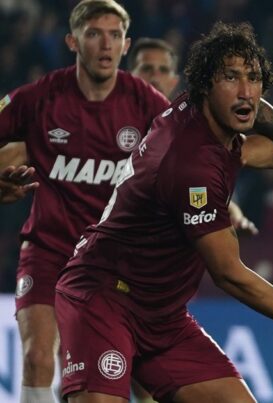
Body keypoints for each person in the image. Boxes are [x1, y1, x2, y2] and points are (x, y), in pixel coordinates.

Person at [54, 21, 273, 402]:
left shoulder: (200, 110)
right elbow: (229, 275)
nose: (246, 91)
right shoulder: (190, 164)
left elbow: (255, 110)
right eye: (231, 78)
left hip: (162, 315)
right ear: (205, 85)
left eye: (253, 77)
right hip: (104, 299)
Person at [0, 2, 170, 402]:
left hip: (115, 260)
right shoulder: (39, 98)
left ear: (126, 45)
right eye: (94, 33)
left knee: (134, 377)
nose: (105, 44)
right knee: (38, 355)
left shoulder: (145, 103)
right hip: (48, 249)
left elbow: (193, 154)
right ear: (73, 41)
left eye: (114, 35)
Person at [126, 36, 257, 235]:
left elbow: (207, 190)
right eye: (146, 69)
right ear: (129, 76)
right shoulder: (106, 121)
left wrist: (235, 216)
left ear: (173, 81)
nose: (154, 77)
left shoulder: (193, 128)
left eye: (163, 70)